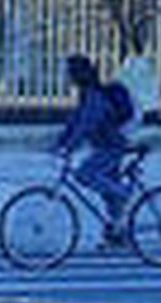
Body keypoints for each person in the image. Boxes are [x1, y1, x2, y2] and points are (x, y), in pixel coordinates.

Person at [54, 54, 135, 245]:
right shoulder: (86, 94)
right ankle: (118, 234)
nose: (68, 77)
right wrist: (60, 143)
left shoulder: (95, 97)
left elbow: (86, 124)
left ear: (79, 74)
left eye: (71, 73)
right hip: (104, 146)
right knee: (109, 196)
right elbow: (75, 121)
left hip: (111, 147)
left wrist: (70, 147)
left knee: (84, 175)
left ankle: (124, 192)